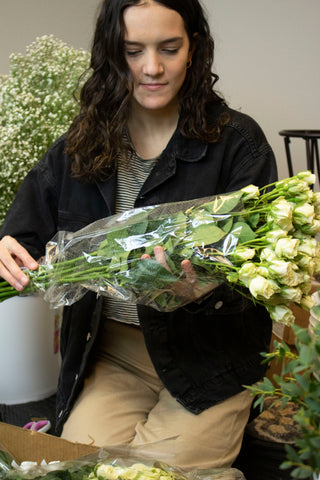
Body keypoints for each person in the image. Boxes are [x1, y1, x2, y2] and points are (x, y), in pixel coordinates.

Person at [0, 0, 278, 470]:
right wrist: (8, 243)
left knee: (158, 473)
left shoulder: (239, 145)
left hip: (209, 360)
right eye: (133, 52)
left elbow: (262, 277)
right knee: (78, 467)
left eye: (169, 48)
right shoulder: (85, 141)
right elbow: (24, 228)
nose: (152, 68)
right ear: (112, 53)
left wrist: (203, 286)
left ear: (194, 49)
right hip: (113, 356)